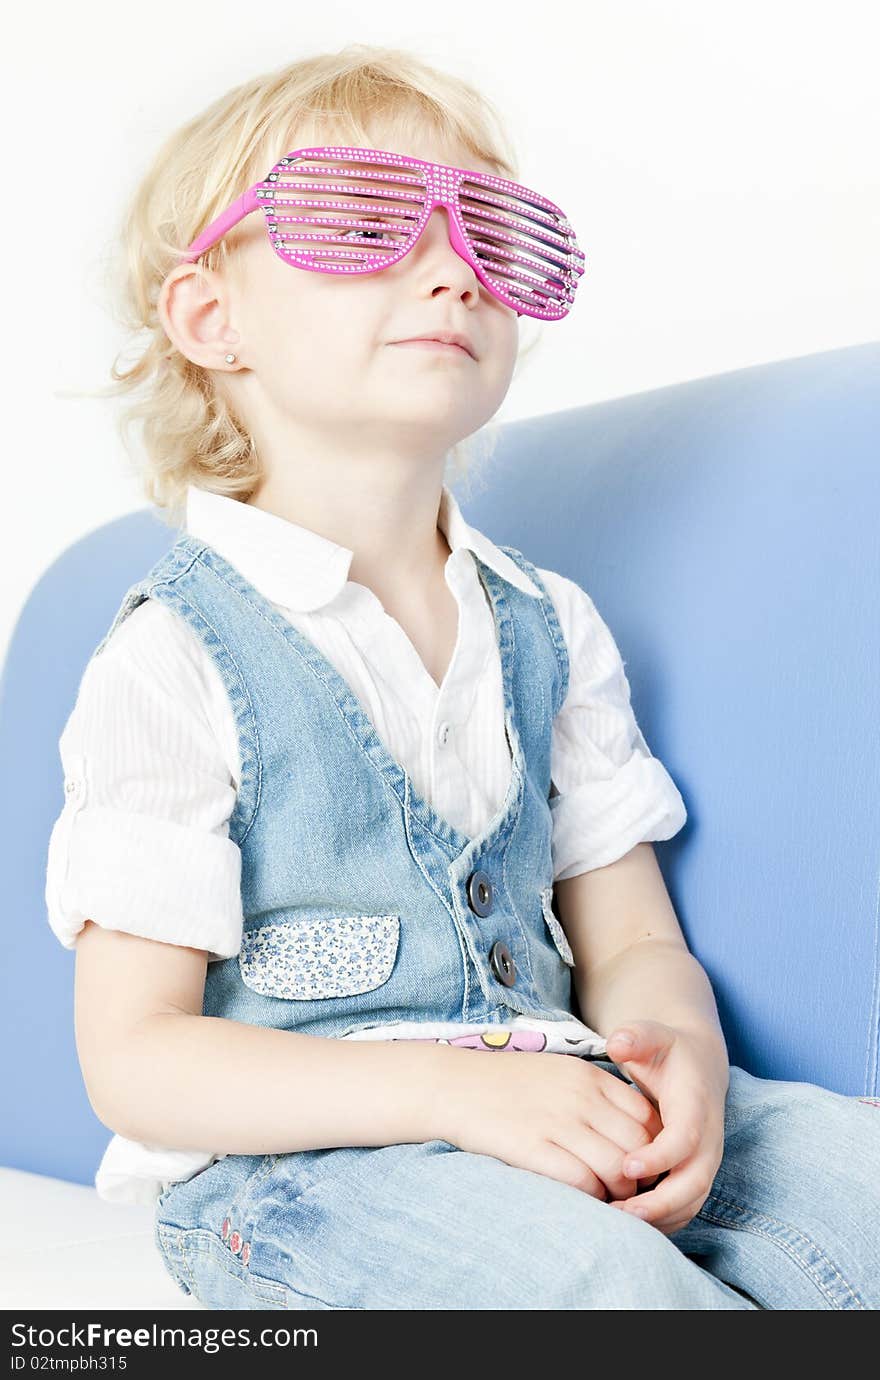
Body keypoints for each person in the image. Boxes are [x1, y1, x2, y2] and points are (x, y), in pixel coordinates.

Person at [46, 44, 880, 1311]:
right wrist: (458, 1091)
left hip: (572, 1091)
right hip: (314, 1168)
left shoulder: (550, 626)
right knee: (607, 1290)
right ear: (211, 318)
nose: (453, 270)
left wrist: (687, 1055)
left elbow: (635, 937)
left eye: (493, 234)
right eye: (362, 222)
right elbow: (137, 1060)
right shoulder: (176, 652)